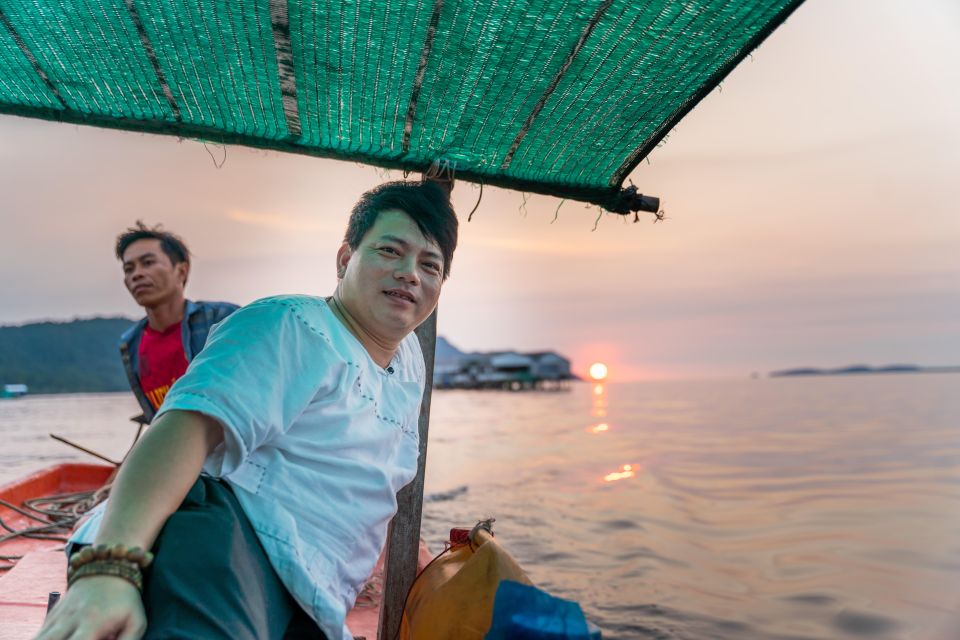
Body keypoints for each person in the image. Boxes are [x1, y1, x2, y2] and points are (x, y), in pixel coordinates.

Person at [37, 180, 458, 640]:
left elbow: (376, 480)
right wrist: (110, 569)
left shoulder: (410, 361)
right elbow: (185, 427)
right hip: (230, 541)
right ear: (344, 260)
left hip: (313, 591)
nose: (410, 273)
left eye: (429, 264)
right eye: (390, 251)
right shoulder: (290, 325)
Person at [115, 223, 238, 424]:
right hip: (183, 453)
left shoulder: (222, 319)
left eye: (147, 262)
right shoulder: (131, 344)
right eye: (129, 269)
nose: (136, 274)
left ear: (181, 270)